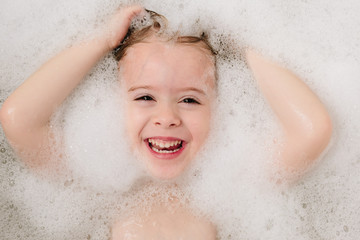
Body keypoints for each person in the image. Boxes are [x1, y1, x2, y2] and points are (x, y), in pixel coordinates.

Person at [0, 5, 332, 239]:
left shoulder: (234, 184)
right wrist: (101, 40)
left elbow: (313, 130)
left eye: (190, 100)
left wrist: (241, 46)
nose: (167, 118)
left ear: (220, 107)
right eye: (145, 97)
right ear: (114, 103)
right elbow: (18, 119)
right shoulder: (95, 187)